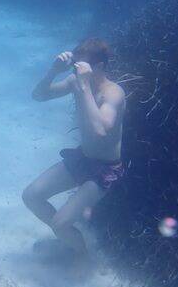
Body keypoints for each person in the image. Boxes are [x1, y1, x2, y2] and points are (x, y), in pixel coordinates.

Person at [22, 38, 126, 257]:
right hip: (82, 158)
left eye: (81, 67)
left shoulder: (113, 93)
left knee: (60, 224)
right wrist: (53, 71)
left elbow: (100, 131)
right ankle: (69, 239)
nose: (76, 71)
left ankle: (81, 256)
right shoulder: (76, 82)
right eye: (75, 66)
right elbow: (38, 96)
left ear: (99, 66)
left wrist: (84, 85)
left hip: (105, 169)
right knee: (31, 196)